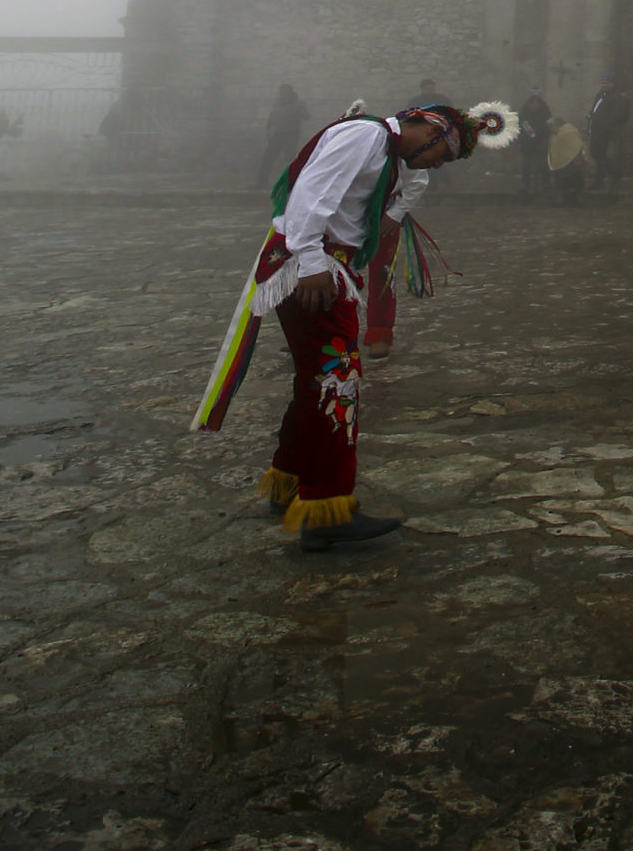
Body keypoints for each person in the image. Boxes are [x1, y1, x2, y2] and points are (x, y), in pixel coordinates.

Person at [192, 95, 516, 548]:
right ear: (425, 127)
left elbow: (405, 186)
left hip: (325, 264)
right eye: (441, 153)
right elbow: (311, 194)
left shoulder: (386, 149)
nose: (438, 165)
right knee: (336, 380)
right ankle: (326, 509)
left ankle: (289, 481)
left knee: (314, 381)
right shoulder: (365, 135)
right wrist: (310, 263)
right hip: (313, 270)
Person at [365, 77, 441, 359]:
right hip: (346, 213)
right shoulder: (364, 140)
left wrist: (395, 214)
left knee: (382, 273)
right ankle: (321, 329)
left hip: (385, 214)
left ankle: (379, 332)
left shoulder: (406, 148)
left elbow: (418, 182)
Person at [257, 82, 310, 189]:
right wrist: (268, 129)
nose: (282, 94)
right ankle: (261, 182)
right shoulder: (278, 102)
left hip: (291, 134)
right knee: (268, 158)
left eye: (285, 91)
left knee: (290, 159)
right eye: (281, 92)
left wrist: (296, 111)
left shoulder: (298, 103)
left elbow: (307, 116)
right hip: (278, 134)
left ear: (290, 92)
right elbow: (272, 116)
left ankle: (296, 184)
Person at [587, 81, 632, 196]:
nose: (604, 85)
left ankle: (613, 174)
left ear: (613, 84)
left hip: (607, 132)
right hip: (596, 130)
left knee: (600, 154)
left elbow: (617, 115)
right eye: (603, 82)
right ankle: (600, 179)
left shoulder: (618, 98)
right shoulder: (601, 95)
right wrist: (591, 117)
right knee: (596, 153)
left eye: (608, 82)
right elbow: (595, 109)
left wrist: (606, 126)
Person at [516, 88, 552, 201]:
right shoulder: (523, 112)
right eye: (532, 102)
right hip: (527, 143)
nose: (534, 104)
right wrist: (522, 137)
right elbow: (520, 125)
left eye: (537, 102)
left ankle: (546, 185)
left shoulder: (546, 111)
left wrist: (538, 132)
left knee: (543, 166)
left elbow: (549, 126)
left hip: (540, 143)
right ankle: (525, 186)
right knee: (526, 166)